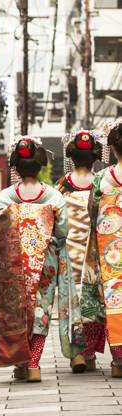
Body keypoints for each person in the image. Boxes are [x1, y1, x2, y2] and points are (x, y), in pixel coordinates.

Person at [0, 136, 85, 382]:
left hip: (15, 262)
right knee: (41, 309)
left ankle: (21, 362)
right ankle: (33, 363)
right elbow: (62, 232)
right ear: (41, 165)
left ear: (16, 168)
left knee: (16, 310)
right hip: (46, 259)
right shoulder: (54, 197)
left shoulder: (5, 197)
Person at [55, 130, 104, 372]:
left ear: (71, 157)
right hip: (93, 249)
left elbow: (54, 218)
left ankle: (77, 353)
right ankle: (90, 353)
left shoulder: (62, 185)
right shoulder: (100, 182)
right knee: (92, 300)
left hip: (69, 250)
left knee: (71, 300)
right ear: (95, 156)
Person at [83, 120, 122, 377]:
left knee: (113, 297)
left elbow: (91, 211)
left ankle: (119, 360)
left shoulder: (102, 179)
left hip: (111, 249)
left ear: (113, 149)